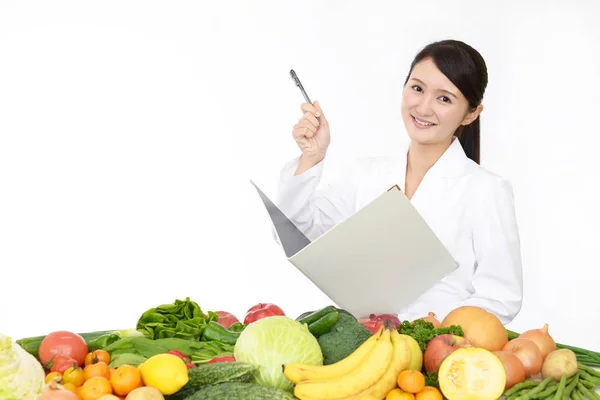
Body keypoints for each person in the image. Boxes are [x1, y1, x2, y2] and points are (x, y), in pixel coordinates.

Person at [274, 39, 523, 325]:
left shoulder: (486, 190)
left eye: (444, 98)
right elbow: (295, 234)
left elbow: (502, 297)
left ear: (471, 113)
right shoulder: (365, 175)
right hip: (366, 346)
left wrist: (435, 331)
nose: (424, 107)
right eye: (417, 88)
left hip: (440, 356)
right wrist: (311, 157)